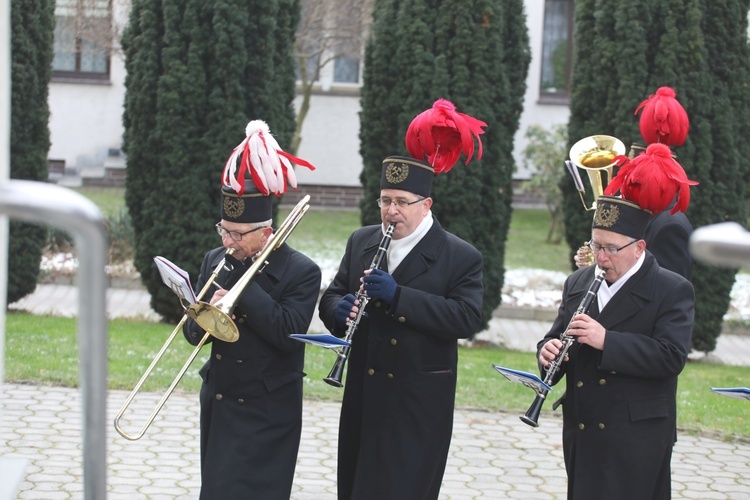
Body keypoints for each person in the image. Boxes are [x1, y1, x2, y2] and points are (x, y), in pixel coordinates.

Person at [318, 99, 485, 500]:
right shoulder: (362, 240)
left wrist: (399, 297)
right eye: (385, 201)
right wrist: (336, 311)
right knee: (355, 487)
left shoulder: (459, 255)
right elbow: (334, 294)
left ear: (426, 205)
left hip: (417, 401)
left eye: (401, 203)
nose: (391, 211)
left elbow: (466, 318)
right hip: (365, 390)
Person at [537, 144, 698, 499]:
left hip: (636, 434)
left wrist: (606, 340)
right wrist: (547, 352)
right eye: (597, 246)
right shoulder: (579, 281)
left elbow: (671, 357)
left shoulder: (671, 289)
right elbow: (557, 336)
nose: (601, 257)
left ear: (639, 248)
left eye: (612, 248)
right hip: (583, 426)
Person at [183, 120, 321, 499]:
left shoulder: (301, 271)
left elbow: (287, 334)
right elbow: (192, 336)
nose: (228, 240)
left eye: (237, 234)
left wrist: (243, 289)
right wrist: (198, 311)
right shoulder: (216, 258)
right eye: (223, 230)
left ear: (266, 232)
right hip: (222, 398)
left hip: (267, 409)